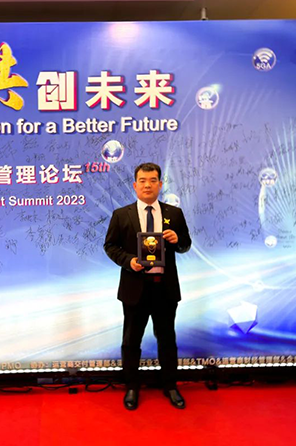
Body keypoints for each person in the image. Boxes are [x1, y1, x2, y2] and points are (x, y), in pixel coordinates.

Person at [104, 162, 191, 410]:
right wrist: (129, 261)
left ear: (160, 184)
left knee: (167, 340)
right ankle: (132, 387)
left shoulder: (174, 214)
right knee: (131, 341)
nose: (147, 185)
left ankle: (170, 386)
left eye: (153, 180)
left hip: (165, 289)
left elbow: (185, 245)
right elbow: (110, 246)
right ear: (135, 185)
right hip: (135, 289)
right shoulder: (122, 215)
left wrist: (177, 240)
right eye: (142, 181)